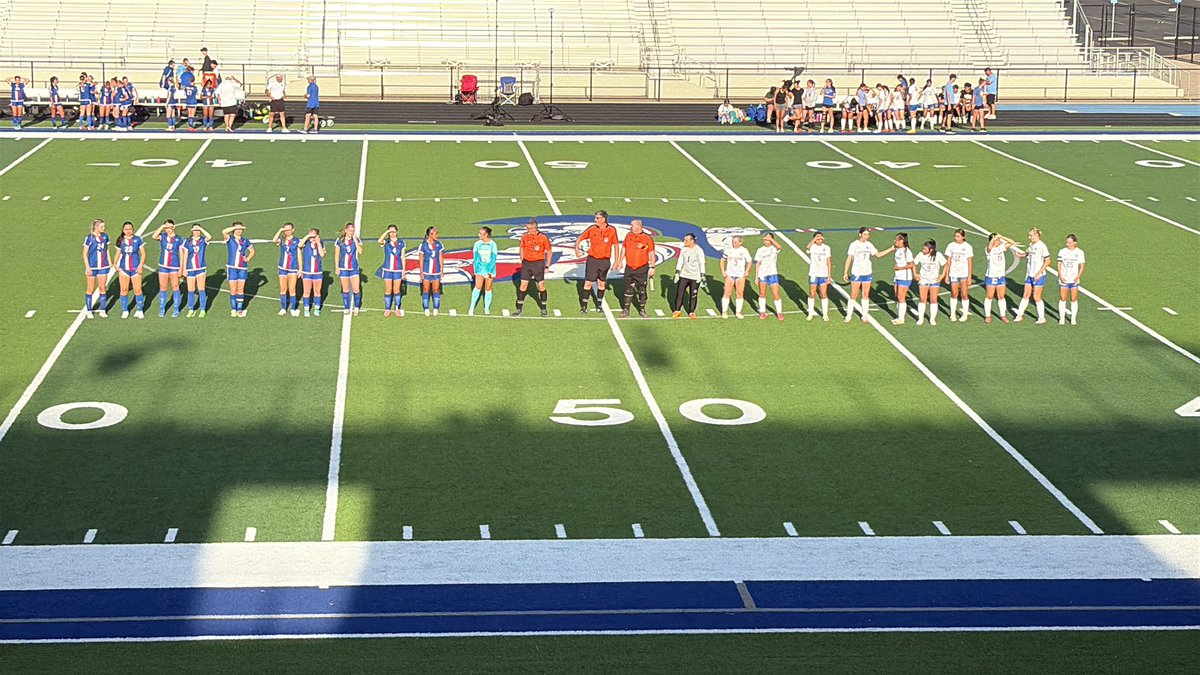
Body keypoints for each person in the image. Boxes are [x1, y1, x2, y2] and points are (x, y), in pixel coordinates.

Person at [574, 210, 619, 314]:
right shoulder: (592, 229)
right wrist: (576, 249)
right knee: (588, 282)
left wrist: (616, 261)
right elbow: (580, 238)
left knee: (601, 283)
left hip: (604, 261)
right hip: (592, 260)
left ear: (603, 219)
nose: (595, 220)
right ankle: (584, 306)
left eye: (597, 218)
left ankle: (599, 305)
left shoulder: (612, 230)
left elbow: (616, 245)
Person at [514, 218, 551, 317]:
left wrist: (547, 265)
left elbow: (549, 252)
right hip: (527, 264)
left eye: (529, 228)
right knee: (523, 286)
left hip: (538, 264)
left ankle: (544, 309)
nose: (527, 230)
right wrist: (522, 259)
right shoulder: (525, 236)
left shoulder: (543, 238)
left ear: (534, 228)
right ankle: (519, 309)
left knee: (541, 286)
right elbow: (522, 247)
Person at [618, 219, 655, 318]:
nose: (630, 227)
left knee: (642, 289)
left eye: (632, 225)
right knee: (628, 289)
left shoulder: (647, 238)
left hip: (642, 268)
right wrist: (620, 261)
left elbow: (651, 253)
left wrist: (652, 266)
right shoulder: (628, 235)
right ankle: (626, 310)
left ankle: (642, 309)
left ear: (638, 227)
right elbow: (624, 248)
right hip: (629, 267)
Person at [1013, 228, 1051, 324]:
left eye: (1031, 235)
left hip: (1039, 275)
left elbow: (1048, 261)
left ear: (1036, 235)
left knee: (1036, 297)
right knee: (1026, 295)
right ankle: (1019, 315)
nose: (1029, 237)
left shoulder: (1042, 246)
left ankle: (1041, 318)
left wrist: (1039, 273)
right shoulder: (1031, 245)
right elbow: (1029, 254)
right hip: (1029, 274)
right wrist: (1021, 255)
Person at [842, 227, 878, 323]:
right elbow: (849, 258)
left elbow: (877, 254)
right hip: (857, 272)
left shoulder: (869, 245)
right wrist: (845, 271)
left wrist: (891, 248)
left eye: (868, 234)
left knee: (865, 294)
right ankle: (849, 315)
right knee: (853, 294)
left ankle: (864, 315)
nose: (867, 236)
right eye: (865, 234)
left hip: (867, 272)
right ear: (860, 234)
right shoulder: (854, 245)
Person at [151, 219, 185, 317]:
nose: (168, 230)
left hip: (174, 266)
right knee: (163, 287)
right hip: (163, 266)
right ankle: (162, 308)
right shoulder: (163, 237)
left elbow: (181, 254)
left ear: (174, 227)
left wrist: (181, 268)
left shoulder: (179, 239)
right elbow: (154, 236)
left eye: (169, 227)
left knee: (175, 287)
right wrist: (162, 227)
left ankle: (176, 309)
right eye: (166, 228)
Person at [982, 232, 1017, 324]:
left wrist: (1001, 236)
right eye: (995, 240)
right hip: (991, 276)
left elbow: (1012, 242)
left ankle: (1003, 315)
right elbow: (989, 248)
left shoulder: (1000, 248)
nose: (998, 241)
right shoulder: (988, 250)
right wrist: (993, 239)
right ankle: (987, 315)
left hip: (1000, 276)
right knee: (989, 296)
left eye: (998, 240)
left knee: (1001, 296)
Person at [113, 221, 146, 318]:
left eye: (130, 229)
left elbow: (143, 254)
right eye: (126, 229)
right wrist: (115, 264)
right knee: (124, 289)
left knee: (138, 289)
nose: (128, 231)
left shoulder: (137, 239)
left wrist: (140, 266)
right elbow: (118, 254)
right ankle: (125, 310)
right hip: (124, 269)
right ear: (123, 230)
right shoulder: (120, 241)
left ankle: (140, 310)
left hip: (135, 268)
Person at [222, 222, 255, 317]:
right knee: (233, 290)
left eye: (240, 229)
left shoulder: (245, 240)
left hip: (242, 268)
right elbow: (224, 231)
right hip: (232, 267)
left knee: (240, 289)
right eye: (237, 229)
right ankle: (233, 308)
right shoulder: (230, 238)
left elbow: (252, 251)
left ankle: (239, 309)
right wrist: (233, 227)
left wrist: (248, 258)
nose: (239, 230)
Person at [882, 232, 915, 325]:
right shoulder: (897, 250)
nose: (895, 241)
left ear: (902, 240)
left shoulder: (907, 251)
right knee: (897, 296)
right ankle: (899, 316)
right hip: (897, 276)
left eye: (896, 239)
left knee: (901, 297)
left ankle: (901, 318)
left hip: (905, 277)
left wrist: (900, 268)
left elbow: (911, 264)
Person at [913, 239, 948, 326]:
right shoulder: (920, 255)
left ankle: (932, 319)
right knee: (922, 299)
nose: (923, 250)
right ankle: (921, 319)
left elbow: (946, 264)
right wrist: (915, 274)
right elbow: (913, 264)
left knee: (933, 299)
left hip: (934, 280)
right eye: (923, 248)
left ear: (931, 249)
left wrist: (942, 275)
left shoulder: (938, 255)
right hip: (923, 280)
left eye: (925, 249)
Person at [181, 224, 213, 318]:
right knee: (190, 290)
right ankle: (191, 309)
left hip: (200, 268)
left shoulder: (203, 240)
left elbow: (209, 236)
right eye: (195, 230)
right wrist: (184, 268)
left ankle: (203, 309)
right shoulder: (187, 242)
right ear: (192, 231)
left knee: (201, 289)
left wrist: (201, 229)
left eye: (198, 230)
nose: (197, 231)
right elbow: (185, 255)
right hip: (190, 268)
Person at [82, 219, 111, 318]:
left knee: (102, 288)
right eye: (102, 227)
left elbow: (106, 250)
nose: (104, 228)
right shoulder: (89, 238)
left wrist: (109, 262)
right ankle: (89, 310)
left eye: (104, 226)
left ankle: (102, 309)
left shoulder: (105, 236)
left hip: (103, 266)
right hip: (92, 266)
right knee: (90, 288)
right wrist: (87, 267)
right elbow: (85, 254)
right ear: (96, 227)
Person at [944, 228, 974, 322]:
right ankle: (952, 314)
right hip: (954, 272)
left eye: (958, 236)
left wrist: (969, 276)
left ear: (963, 237)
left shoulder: (968, 246)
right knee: (954, 293)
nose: (956, 238)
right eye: (955, 236)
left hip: (964, 273)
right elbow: (948, 261)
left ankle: (964, 314)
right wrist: (946, 275)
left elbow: (969, 262)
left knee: (964, 294)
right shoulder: (951, 246)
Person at [672, 232, 705, 319]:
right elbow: (680, 261)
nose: (684, 241)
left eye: (686, 240)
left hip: (695, 276)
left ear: (692, 241)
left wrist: (702, 276)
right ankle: (677, 310)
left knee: (693, 295)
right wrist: (677, 273)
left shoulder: (699, 251)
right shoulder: (684, 249)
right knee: (680, 293)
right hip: (684, 275)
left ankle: (691, 312)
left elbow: (702, 263)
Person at [720, 235, 753, 319]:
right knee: (727, 293)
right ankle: (724, 311)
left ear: (740, 242)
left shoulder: (744, 251)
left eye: (735, 242)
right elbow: (722, 260)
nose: (733, 244)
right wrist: (723, 271)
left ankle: (738, 312)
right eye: (733, 242)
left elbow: (749, 261)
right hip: (730, 274)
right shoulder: (728, 250)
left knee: (740, 293)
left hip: (740, 275)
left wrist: (747, 271)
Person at [753, 232, 784, 320]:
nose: (766, 241)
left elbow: (779, 247)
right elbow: (758, 263)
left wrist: (771, 239)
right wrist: (756, 277)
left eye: (768, 239)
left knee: (776, 294)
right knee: (762, 293)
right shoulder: (760, 250)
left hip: (772, 274)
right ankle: (763, 312)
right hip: (762, 274)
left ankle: (779, 312)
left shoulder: (774, 249)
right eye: (765, 239)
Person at [272, 222, 301, 316]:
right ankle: (283, 308)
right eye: (285, 230)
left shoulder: (297, 241)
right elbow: (274, 240)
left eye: (289, 229)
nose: (287, 231)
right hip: (282, 267)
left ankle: (293, 308)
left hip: (292, 267)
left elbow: (299, 255)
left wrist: (300, 268)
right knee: (283, 288)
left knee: (292, 289)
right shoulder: (282, 239)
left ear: (293, 230)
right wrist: (280, 231)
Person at [1057, 234, 1086, 326]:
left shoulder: (1080, 252)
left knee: (1074, 298)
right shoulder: (1062, 251)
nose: (1068, 244)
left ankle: (1073, 318)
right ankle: (1061, 318)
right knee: (1063, 298)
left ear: (1074, 243)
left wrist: (1078, 277)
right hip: (1064, 278)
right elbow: (1059, 264)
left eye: (1070, 242)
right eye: (1067, 242)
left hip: (1073, 279)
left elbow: (1082, 266)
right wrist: (1061, 275)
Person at [335, 223, 363, 316]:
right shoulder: (340, 241)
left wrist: (355, 238)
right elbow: (337, 255)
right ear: (346, 230)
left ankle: (357, 307)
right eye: (350, 230)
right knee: (345, 289)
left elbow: (360, 251)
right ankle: (346, 307)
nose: (351, 232)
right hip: (343, 268)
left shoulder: (356, 240)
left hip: (353, 268)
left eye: (353, 231)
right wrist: (337, 267)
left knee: (356, 288)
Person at [378, 224, 406, 317]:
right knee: (388, 289)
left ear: (397, 232)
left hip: (398, 269)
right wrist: (386, 232)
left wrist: (403, 270)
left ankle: (397, 308)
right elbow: (379, 241)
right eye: (390, 232)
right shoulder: (386, 242)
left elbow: (403, 257)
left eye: (394, 231)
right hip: (387, 269)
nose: (392, 233)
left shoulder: (401, 242)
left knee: (396, 290)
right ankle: (387, 308)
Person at [469, 226, 498, 316]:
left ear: (486, 234)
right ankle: (471, 308)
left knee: (488, 289)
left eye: (481, 234)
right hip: (480, 269)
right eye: (479, 233)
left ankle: (487, 309)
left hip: (490, 269)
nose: (479, 235)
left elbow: (493, 259)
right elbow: (476, 258)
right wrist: (477, 269)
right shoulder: (477, 244)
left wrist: (489, 271)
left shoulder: (493, 244)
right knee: (478, 287)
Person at [805, 231, 832, 321]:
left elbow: (828, 262)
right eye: (817, 238)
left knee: (823, 294)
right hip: (813, 273)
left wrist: (829, 275)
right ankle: (810, 313)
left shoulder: (827, 248)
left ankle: (825, 314)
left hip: (823, 274)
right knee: (812, 293)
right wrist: (814, 239)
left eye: (820, 238)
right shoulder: (812, 247)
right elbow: (807, 247)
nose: (819, 240)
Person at [418, 226, 445, 316]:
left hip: (436, 270)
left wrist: (442, 269)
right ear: (430, 234)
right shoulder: (423, 245)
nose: (437, 235)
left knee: (436, 289)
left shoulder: (439, 244)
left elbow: (441, 257)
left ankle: (436, 308)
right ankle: (426, 308)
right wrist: (421, 271)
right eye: (435, 233)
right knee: (426, 289)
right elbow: (421, 259)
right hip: (426, 271)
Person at [299, 228, 325, 317]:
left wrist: (317, 242)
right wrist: (308, 236)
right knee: (307, 291)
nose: (312, 238)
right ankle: (306, 308)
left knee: (317, 291)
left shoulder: (320, 243)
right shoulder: (306, 243)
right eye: (310, 235)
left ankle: (317, 308)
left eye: (313, 236)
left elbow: (322, 254)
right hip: (307, 271)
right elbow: (299, 245)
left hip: (317, 272)